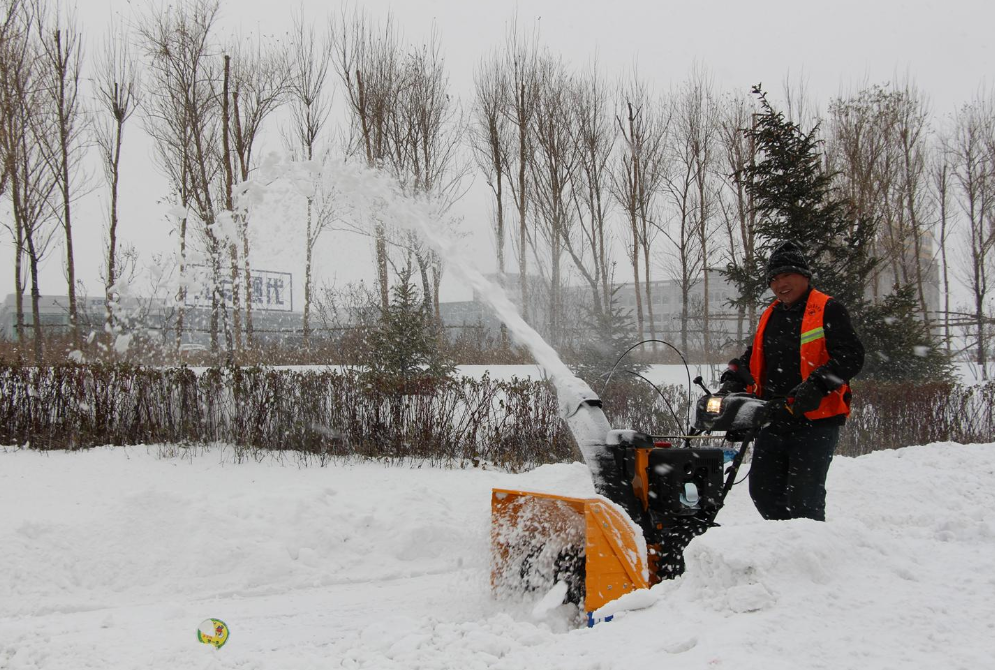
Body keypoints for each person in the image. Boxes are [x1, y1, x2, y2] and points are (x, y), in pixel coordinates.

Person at [720, 240, 864, 522]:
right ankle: (784, 546)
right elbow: (756, 354)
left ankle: (809, 551)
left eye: (786, 276)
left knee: (804, 499)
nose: (779, 284)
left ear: (804, 276)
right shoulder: (771, 314)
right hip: (773, 415)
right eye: (773, 279)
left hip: (815, 420)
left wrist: (817, 385)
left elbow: (850, 357)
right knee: (764, 492)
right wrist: (734, 375)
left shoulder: (827, 308)